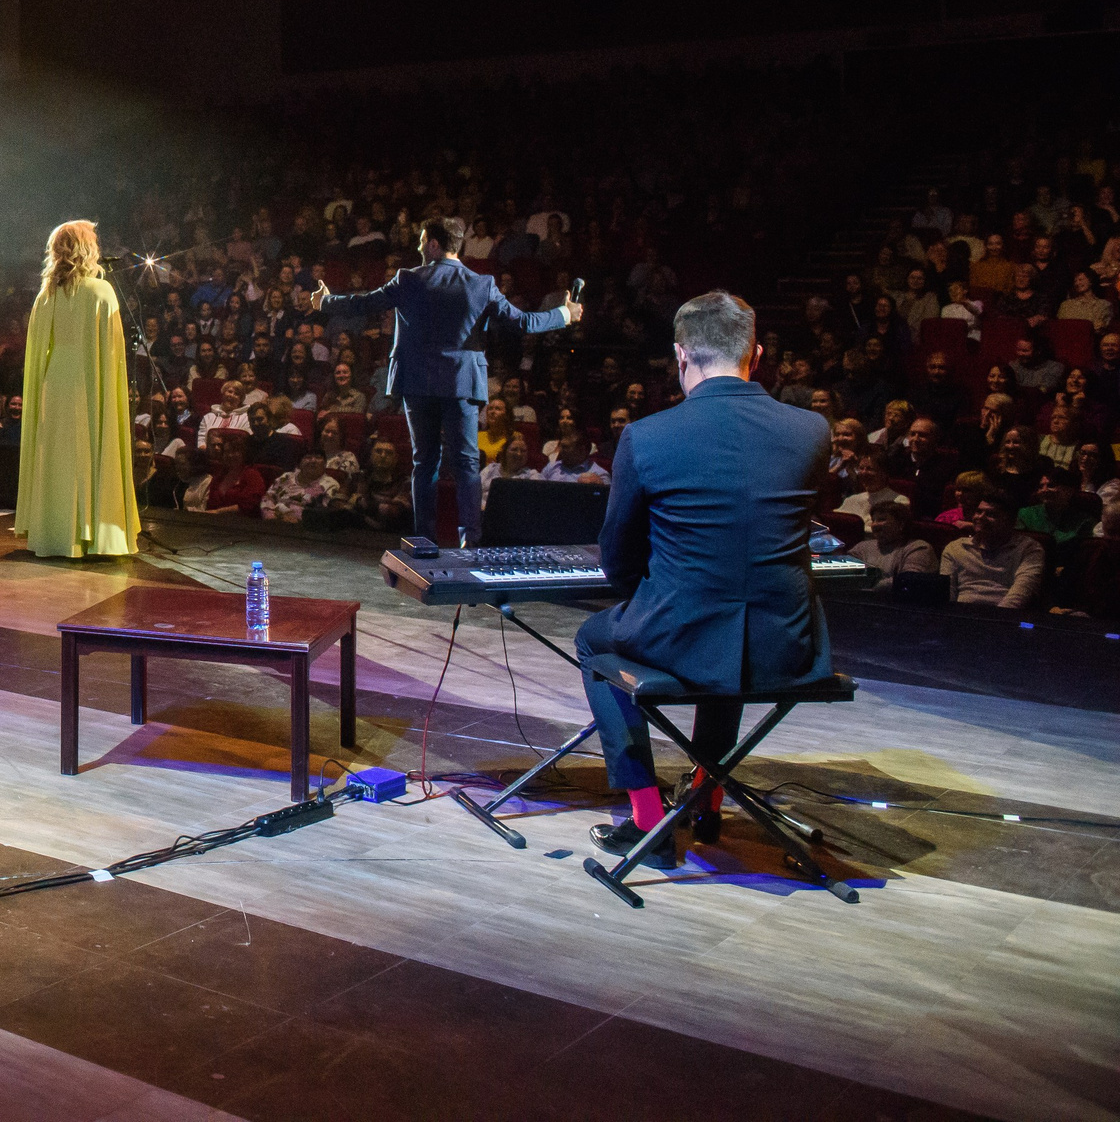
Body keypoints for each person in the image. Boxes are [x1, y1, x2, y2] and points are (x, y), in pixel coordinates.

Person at [574, 291, 832, 863]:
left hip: (685, 637)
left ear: (681, 355)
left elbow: (617, 560)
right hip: (786, 645)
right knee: (727, 636)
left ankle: (647, 823)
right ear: (756, 356)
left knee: (595, 639)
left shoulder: (647, 437)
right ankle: (707, 797)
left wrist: (652, 590)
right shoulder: (813, 430)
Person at [302, 217, 579, 544]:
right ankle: (470, 541)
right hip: (461, 383)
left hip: (417, 383)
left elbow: (363, 303)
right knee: (465, 463)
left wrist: (325, 301)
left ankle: (424, 541)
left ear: (434, 244)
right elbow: (524, 322)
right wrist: (565, 314)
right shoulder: (481, 284)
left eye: (422, 241)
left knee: (425, 462)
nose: (419, 247)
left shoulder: (408, 280)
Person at [15, 219, 141, 559]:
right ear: (87, 249)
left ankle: (54, 532)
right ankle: (89, 533)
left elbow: (40, 348)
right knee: (88, 447)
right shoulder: (101, 291)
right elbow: (112, 352)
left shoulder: (47, 295)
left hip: (55, 381)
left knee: (56, 454)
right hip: (88, 378)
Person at [940, 488, 1046, 609]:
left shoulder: (1028, 549)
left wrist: (993, 621)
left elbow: (1021, 595)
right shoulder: (956, 548)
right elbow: (947, 594)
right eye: (978, 512)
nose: (980, 517)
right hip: (961, 616)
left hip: (1005, 619)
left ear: (1011, 521)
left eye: (991, 514)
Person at [849, 497, 938, 594]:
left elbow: (907, 581)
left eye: (881, 519)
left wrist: (868, 585)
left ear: (901, 524)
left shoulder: (919, 548)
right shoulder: (862, 547)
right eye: (873, 520)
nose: (875, 524)